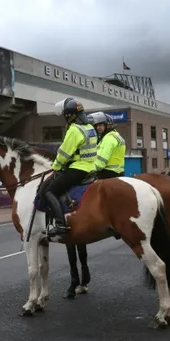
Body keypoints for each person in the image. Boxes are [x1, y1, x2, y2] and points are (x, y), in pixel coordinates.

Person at [41, 97, 98, 237]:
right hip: (91, 168)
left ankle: (60, 224)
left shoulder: (74, 130)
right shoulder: (90, 128)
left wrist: (56, 167)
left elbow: (64, 154)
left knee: (49, 191)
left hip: (77, 169)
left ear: (69, 116)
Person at [90, 112, 126, 179]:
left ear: (107, 125)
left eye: (100, 125)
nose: (98, 128)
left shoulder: (108, 138)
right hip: (119, 173)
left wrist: (88, 169)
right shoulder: (116, 135)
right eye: (97, 126)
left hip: (107, 174)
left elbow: (100, 163)